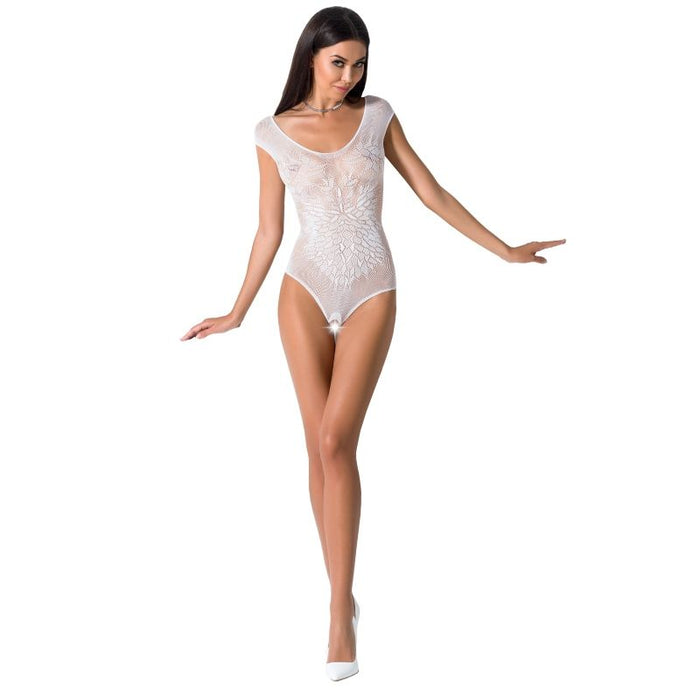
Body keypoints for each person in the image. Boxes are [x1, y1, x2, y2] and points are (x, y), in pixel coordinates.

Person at [180, 6, 566, 682]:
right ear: (311, 57)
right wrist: (237, 311)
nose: (349, 76)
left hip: (371, 288)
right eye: (339, 63)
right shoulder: (270, 133)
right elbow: (269, 231)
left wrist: (504, 249)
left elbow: (430, 191)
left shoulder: (377, 116)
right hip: (302, 289)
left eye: (359, 64)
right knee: (316, 446)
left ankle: (339, 609)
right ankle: (340, 597)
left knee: (337, 441)